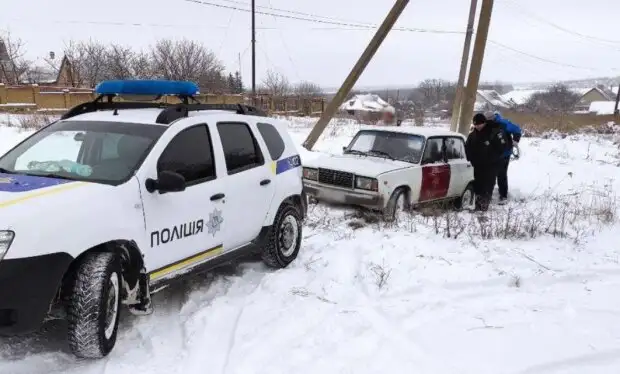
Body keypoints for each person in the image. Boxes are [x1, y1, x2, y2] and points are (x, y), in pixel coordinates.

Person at [465, 113, 508, 211]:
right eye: (475, 125)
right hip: (477, 165)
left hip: (491, 165)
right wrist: (470, 158)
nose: (477, 127)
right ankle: (478, 206)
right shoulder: (473, 135)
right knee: (478, 186)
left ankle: (483, 207)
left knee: (487, 186)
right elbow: (467, 148)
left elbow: (502, 147)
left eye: (479, 124)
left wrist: (491, 155)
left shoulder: (494, 132)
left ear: (484, 123)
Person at [484, 111, 522, 204]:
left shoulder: (503, 123)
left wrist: (515, 141)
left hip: (504, 153)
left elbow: (517, 129)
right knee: (488, 174)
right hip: (490, 154)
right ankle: (486, 194)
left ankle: (503, 196)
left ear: (493, 118)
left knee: (501, 174)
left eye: (489, 120)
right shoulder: (485, 124)